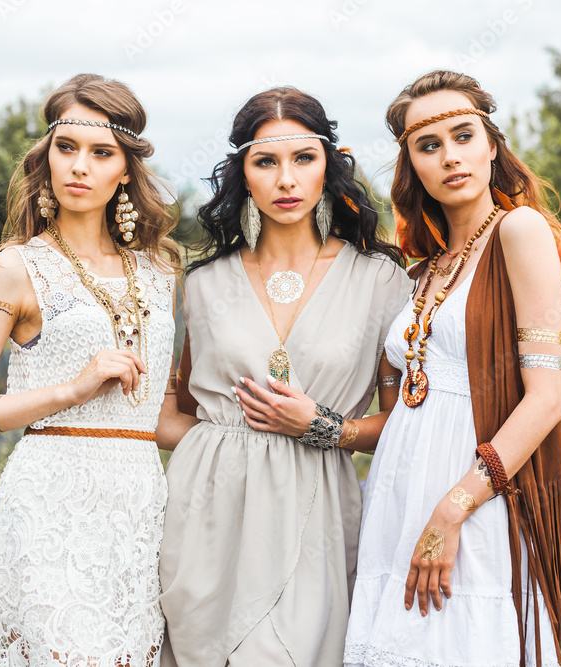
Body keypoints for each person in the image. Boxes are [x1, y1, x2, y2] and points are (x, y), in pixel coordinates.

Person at [153, 87, 412, 666]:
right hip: (208, 513)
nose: (286, 179)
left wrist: (324, 427)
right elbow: (181, 409)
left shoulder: (382, 281)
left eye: (303, 158)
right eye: (266, 161)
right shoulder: (203, 283)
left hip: (315, 508)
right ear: (243, 173)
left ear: (330, 165)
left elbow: (403, 424)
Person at [344, 70, 561, 667]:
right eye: (429, 145)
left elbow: (545, 400)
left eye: (463, 135)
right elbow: (404, 409)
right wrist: (323, 428)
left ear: (493, 145)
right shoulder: (421, 272)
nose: (450, 156)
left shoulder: (518, 231)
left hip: (476, 498)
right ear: (412, 167)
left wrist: (453, 508)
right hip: (398, 500)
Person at [0, 73, 180, 666]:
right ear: (46, 158)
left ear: (126, 170)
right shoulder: (14, 268)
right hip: (50, 504)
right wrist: (71, 389)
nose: (79, 166)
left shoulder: (160, 272)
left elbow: (162, 417)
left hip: (139, 506)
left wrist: (264, 439)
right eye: (65, 148)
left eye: (101, 153)